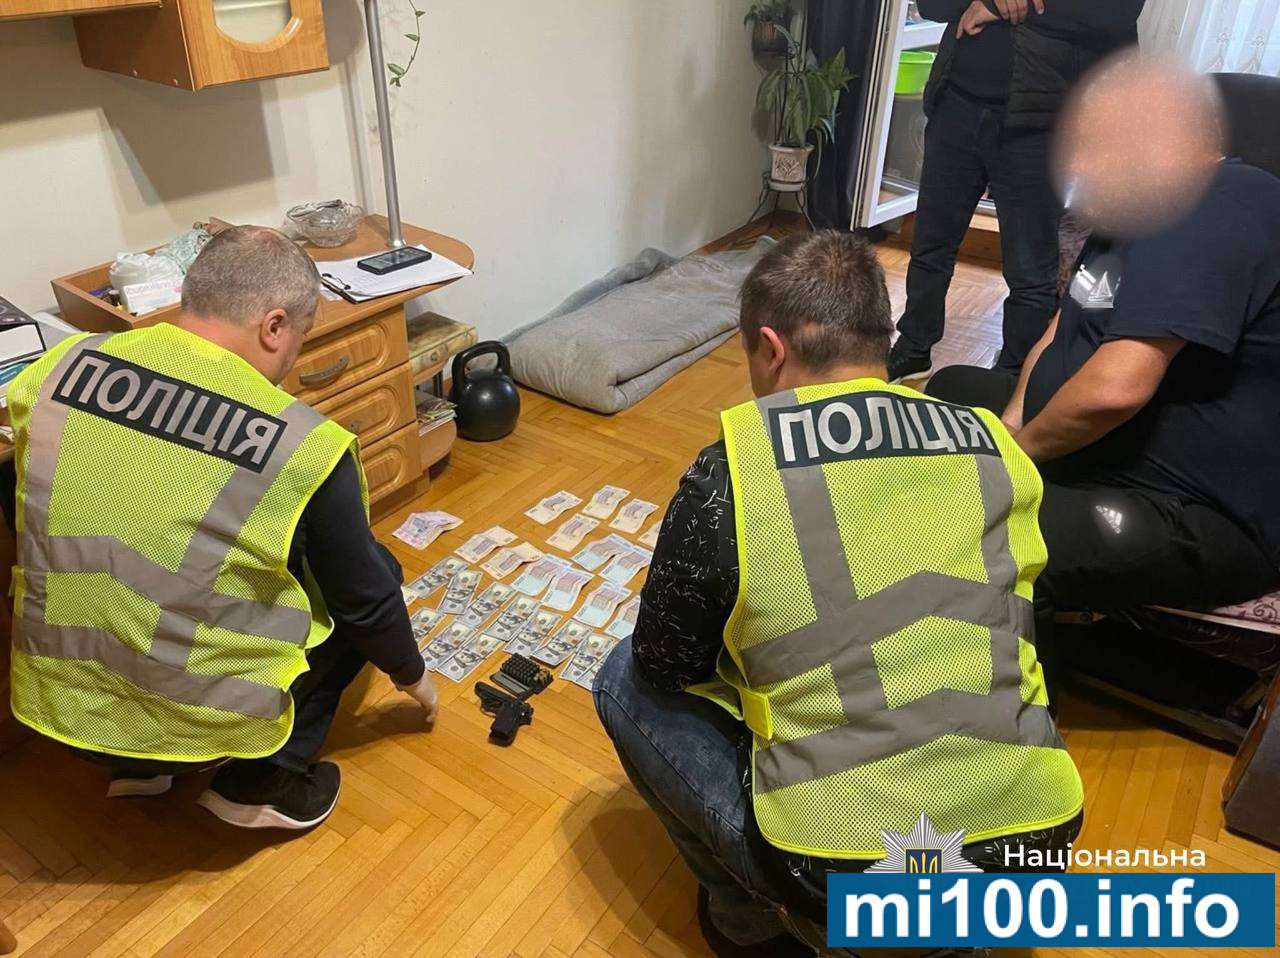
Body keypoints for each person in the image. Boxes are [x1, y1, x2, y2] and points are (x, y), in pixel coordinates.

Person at [593, 231, 1084, 957]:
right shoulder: (991, 442)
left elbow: (664, 664)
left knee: (621, 680)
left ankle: (752, 920)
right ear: (880, 338)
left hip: (846, 871)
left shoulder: (733, 471)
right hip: (1031, 841)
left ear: (771, 348)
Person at [6, 226, 438, 830]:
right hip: (197, 712)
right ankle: (262, 784)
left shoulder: (59, 368)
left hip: (62, 701)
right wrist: (415, 679)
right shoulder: (301, 443)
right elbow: (364, 602)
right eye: (300, 337)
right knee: (373, 571)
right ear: (274, 326)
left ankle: (136, 767)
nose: (291, 361)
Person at [926, 155, 1280, 612]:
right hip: (1123, 453)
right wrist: (1012, 424)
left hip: (1203, 510)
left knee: (967, 528)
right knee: (953, 390)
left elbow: (1114, 392)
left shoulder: (1219, 202)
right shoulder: (1125, 218)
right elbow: (1062, 330)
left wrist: (1011, 461)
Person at [887, 0, 1144, 382]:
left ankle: (1011, 377)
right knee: (930, 245)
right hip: (956, 101)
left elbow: (1117, 12)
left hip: (1039, 123)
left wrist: (999, 6)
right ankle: (913, 348)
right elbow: (932, 6)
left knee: (1030, 271)